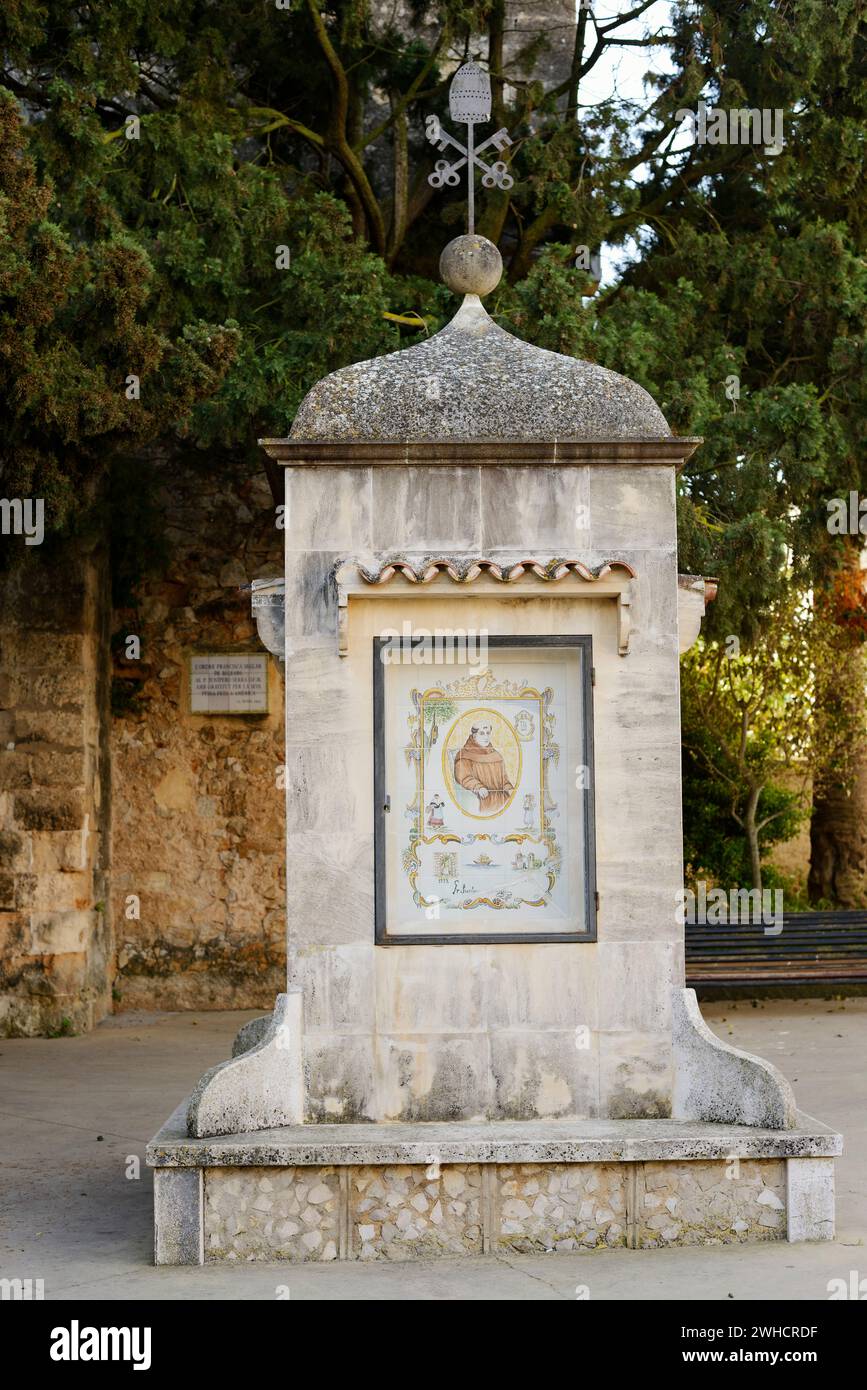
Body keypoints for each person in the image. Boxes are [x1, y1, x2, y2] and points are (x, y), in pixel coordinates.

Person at [454, 722, 513, 812]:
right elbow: (464, 777)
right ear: (474, 736)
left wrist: (508, 788)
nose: (486, 737)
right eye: (482, 733)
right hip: (483, 798)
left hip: (502, 798)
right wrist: (478, 787)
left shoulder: (496, 755)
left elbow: (504, 780)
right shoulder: (465, 755)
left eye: (488, 733)